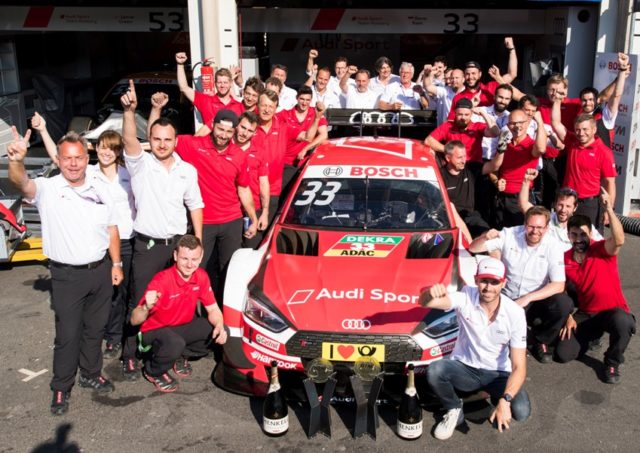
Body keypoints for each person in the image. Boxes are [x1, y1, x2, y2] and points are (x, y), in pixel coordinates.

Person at [7, 126, 124, 415]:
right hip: (67, 276)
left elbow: (112, 229)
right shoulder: (48, 188)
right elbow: (22, 184)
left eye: (79, 157)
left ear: (87, 158)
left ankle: (90, 372)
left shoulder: (100, 188)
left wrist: (117, 263)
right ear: (58, 160)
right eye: (67, 158)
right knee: (68, 334)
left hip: (100, 271)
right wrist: (16, 161)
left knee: (95, 330)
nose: (73, 163)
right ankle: (61, 387)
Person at [32, 114, 136, 358]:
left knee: (123, 292)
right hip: (101, 241)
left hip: (126, 239)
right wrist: (44, 130)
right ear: (94, 150)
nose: (106, 152)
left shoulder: (128, 173)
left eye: (111, 148)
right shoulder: (89, 173)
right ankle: (105, 335)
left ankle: (119, 335)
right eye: (101, 147)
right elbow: (58, 159)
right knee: (106, 294)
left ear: (118, 151)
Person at [120, 80, 204, 381]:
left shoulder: (186, 170)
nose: (162, 144)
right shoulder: (140, 165)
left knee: (178, 303)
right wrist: (130, 112)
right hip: (148, 246)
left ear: (175, 140)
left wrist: (198, 245)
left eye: (167, 139)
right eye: (156, 139)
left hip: (177, 247)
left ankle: (173, 352)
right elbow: (129, 141)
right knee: (141, 299)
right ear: (150, 139)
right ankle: (129, 354)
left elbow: (195, 205)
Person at [150, 93, 258, 294]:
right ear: (212, 126)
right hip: (204, 222)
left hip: (231, 221)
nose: (223, 135)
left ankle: (225, 313)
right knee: (198, 269)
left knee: (229, 270)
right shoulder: (193, 145)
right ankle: (198, 311)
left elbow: (243, 188)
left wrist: (252, 217)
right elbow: (159, 139)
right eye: (220, 129)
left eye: (228, 131)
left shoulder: (239, 155)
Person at [421, 257, 530, 440]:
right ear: (476, 280)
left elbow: (519, 366)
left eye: (494, 282)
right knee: (435, 370)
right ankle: (454, 408)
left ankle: (498, 400)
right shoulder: (465, 297)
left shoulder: (515, 313)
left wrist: (506, 399)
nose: (488, 288)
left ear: (503, 283)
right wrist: (429, 294)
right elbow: (426, 303)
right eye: (484, 281)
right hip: (466, 368)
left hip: (498, 374)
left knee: (521, 411)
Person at [469, 206, 573, 364]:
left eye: (539, 227)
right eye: (531, 226)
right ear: (524, 224)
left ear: (547, 228)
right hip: (507, 297)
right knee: (498, 350)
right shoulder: (509, 234)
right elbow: (473, 248)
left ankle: (539, 340)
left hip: (534, 300)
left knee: (564, 304)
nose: (534, 231)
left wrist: (528, 298)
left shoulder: (553, 245)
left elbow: (558, 285)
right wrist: (485, 237)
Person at [555, 189, 636, 384]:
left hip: (611, 311)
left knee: (623, 323)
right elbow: (561, 288)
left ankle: (612, 361)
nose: (579, 238)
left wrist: (609, 208)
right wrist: (568, 316)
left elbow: (619, 240)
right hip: (587, 313)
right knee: (563, 354)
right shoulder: (565, 258)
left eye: (584, 234)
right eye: (574, 234)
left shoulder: (601, 249)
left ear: (591, 234)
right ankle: (593, 337)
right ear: (568, 235)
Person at [130, 235, 227, 392]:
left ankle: (178, 356)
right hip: (154, 331)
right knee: (175, 343)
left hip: (179, 327)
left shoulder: (201, 276)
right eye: (184, 258)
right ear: (175, 256)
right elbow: (134, 321)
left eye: (194, 259)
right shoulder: (161, 280)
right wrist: (146, 307)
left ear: (201, 257)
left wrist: (220, 326)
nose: (189, 264)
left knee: (215, 332)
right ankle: (153, 371)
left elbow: (213, 309)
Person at [550, 112, 617, 231]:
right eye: (578, 130)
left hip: (589, 205)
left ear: (594, 129)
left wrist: (609, 210)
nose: (581, 133)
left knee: (590, 242)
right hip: (568, 202)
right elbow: (555, 123)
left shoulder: (604, 152)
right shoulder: (573, 141)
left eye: (585, 129)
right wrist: (557, 99)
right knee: (564, 238)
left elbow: (610, 183)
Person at [484, 109, 547, 227]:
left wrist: (539, 122)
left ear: (527, 123)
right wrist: (496, 181)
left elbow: (541, 149)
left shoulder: (531, 145)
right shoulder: (504, 144)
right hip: (501, 198)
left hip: (521, 198)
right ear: (508, 125)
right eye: (513, 123)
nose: (517, 126)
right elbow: (494, 169)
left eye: (521, 122)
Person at [518, 169, 602, 251]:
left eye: (568, 206)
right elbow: (524, 204)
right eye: (560, 205)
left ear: (575, 207)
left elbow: (603, 245)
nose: (563, 210)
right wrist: (526, 182)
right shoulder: (546, 218)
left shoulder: (583, 225)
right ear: (555, 204)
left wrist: (609, 210)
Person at [426, 98, 500, 175]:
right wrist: (450, 150)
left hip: (473, 168)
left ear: (471, 114)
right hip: (454, 167)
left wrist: (484, 114)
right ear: (455, 113)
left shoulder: (477, 127)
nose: (463, 118)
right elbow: (428, 141)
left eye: (466, 114)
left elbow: (495, 133)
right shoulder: (448, 126)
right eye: (460, 114)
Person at [447, 38, 518, 119]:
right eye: (467, 74)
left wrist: (511, 49)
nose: (470, 77)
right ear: (464, 76)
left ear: (480, 74)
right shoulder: (458, 97)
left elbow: (512, 75)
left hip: (493, 130)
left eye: (474, 73)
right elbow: (451, 121)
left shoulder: (492, 87)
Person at [252, 90, 292, 223]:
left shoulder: (284, 127)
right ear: (257, 105)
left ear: (276, 109)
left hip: (274, 190)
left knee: (268, 232)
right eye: (264, 105)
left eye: (271, 107)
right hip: (251, 190)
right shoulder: (249, 127)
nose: (267, 110)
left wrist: (317, 117)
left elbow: (307, 136)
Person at [175, 52, 243, 129]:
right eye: (219, 82)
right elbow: (184, 88)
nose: (222, 85)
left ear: (231, 83)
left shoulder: (239, 106)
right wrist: (180, 65)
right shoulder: (206, 101)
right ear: (215, 83)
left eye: (225, 82)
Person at [234, 111, 270, 248]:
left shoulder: (259, 152)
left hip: (254, 210)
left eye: (250, 130)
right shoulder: (225, 148)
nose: (244, 133)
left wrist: (265, 213)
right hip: (231, 211)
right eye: (243, 128)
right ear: (237, 126)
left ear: (254, 133)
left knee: (251, 251)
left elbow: (264, 183)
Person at [440, 140, 490, 238]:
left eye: (464, 156)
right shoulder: (439, 176)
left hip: (470, 216)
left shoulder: (470, 169)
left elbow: (493, 166)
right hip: (448, 220)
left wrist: (500, 151)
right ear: (448, 158)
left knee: (487, 236)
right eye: (459, 157)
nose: (464, 160)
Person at [277, 85, 329, 166]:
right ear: (296, 97)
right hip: (288, 162)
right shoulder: (285, 114)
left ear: (311, 100)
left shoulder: (315, 112)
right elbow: (307, 138)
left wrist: (305, 149)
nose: (304, 103)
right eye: (302, 99)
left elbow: (324, 135)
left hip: (308, 161)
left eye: (308, 100)